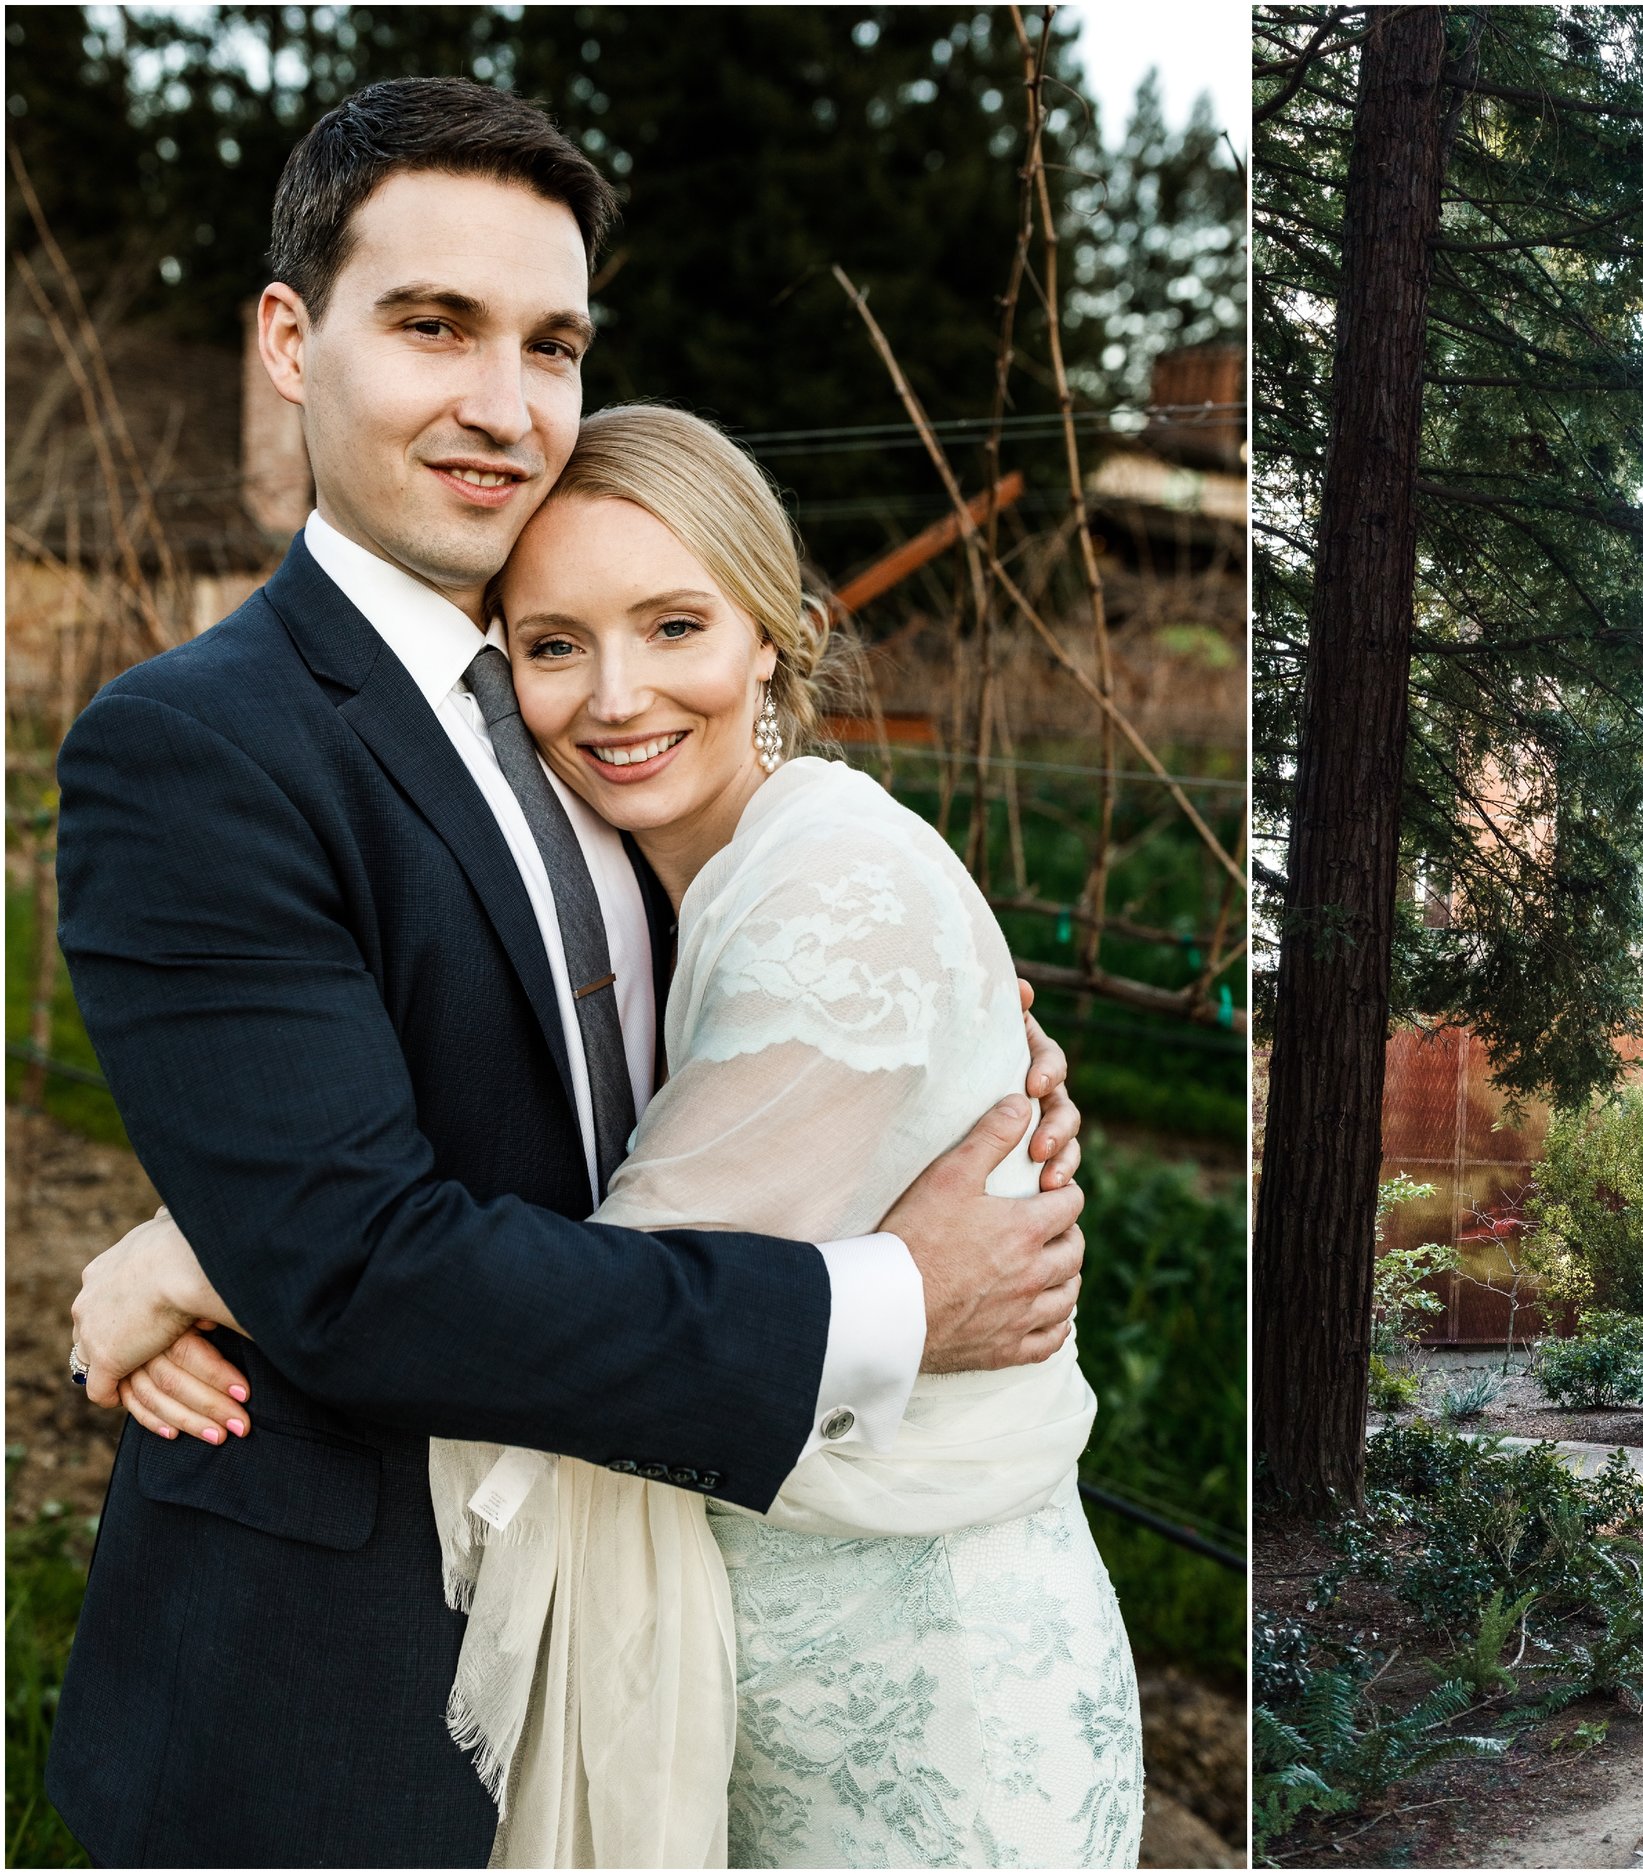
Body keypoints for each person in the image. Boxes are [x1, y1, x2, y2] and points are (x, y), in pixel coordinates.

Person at [52, 79, 1088, 1869]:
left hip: (668, 1644)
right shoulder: (194, 746)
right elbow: (364, 1269)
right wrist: (898, 1295)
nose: (502, 402)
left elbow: (606, 1104)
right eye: (435, 326)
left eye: (553, 343)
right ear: (293, 340)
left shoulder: (581, 729)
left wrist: (209, 1238)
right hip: (337, 1704)